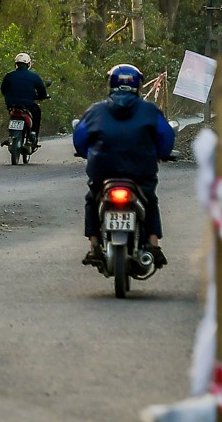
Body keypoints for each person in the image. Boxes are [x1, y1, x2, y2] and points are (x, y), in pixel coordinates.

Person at [73, 64, 175, 269]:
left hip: (103, 172)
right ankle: (153, 244)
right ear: (138, 85)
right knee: (150, 201)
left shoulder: (96, 110)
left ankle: (94, 246)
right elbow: (166, 138)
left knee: (92, 200)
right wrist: (163, 154)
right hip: (141, 173)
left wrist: (86, 153)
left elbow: (80, 138)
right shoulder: (150, 111)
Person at [0, 52, 48, 142]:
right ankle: (33, 133)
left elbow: (3, 90)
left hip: (12, 105)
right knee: (37, 112)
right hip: (28, 105)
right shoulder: (34, 76)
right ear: (28, 64)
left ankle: (11, 136)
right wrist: (41, 97)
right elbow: (42, 92)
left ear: (16, 64)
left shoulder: (9, 76)